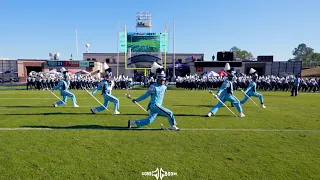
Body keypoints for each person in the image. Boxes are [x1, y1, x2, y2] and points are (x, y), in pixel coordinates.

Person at [128, 65, 179, 130]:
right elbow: (145, 95)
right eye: (161, 80)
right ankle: (173, 126)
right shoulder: (153, 87)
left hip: (158, 106)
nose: (162, 81)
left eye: (163, 80)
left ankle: (132, 122)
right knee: (169, 113)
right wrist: (137, 100)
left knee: (149, 121)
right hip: (154, 105)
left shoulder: (164, 87)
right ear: (157, 79)